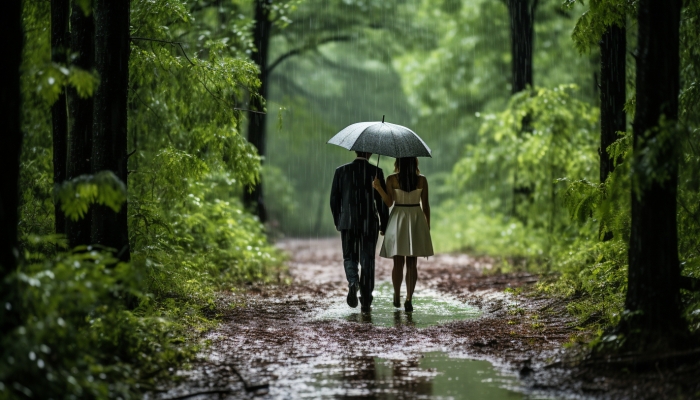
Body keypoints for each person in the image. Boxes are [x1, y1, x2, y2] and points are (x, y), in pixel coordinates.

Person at [330, 151, 389, 312]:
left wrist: (339, 221)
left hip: (347, 222)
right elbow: (382, 202)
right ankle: (366, 298)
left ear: (354, 151)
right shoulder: (376, 172)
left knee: (349, 256)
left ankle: (353, 282)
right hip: (369, 223)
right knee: (367, 260)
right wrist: (384, 223)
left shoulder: (341, 171)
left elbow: (334, 200)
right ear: (370, 153)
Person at [372, 157, 433, 312]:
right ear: (415, 163)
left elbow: (388, 203)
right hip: (416, 219)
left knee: (398, 262)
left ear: (398, 163)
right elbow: (425, 205)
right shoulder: (422, 180)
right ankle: (409, 298)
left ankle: (397, 295)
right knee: (412, 263)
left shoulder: (392, 179)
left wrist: (378, 188)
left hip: (398, 218)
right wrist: (427, 226)